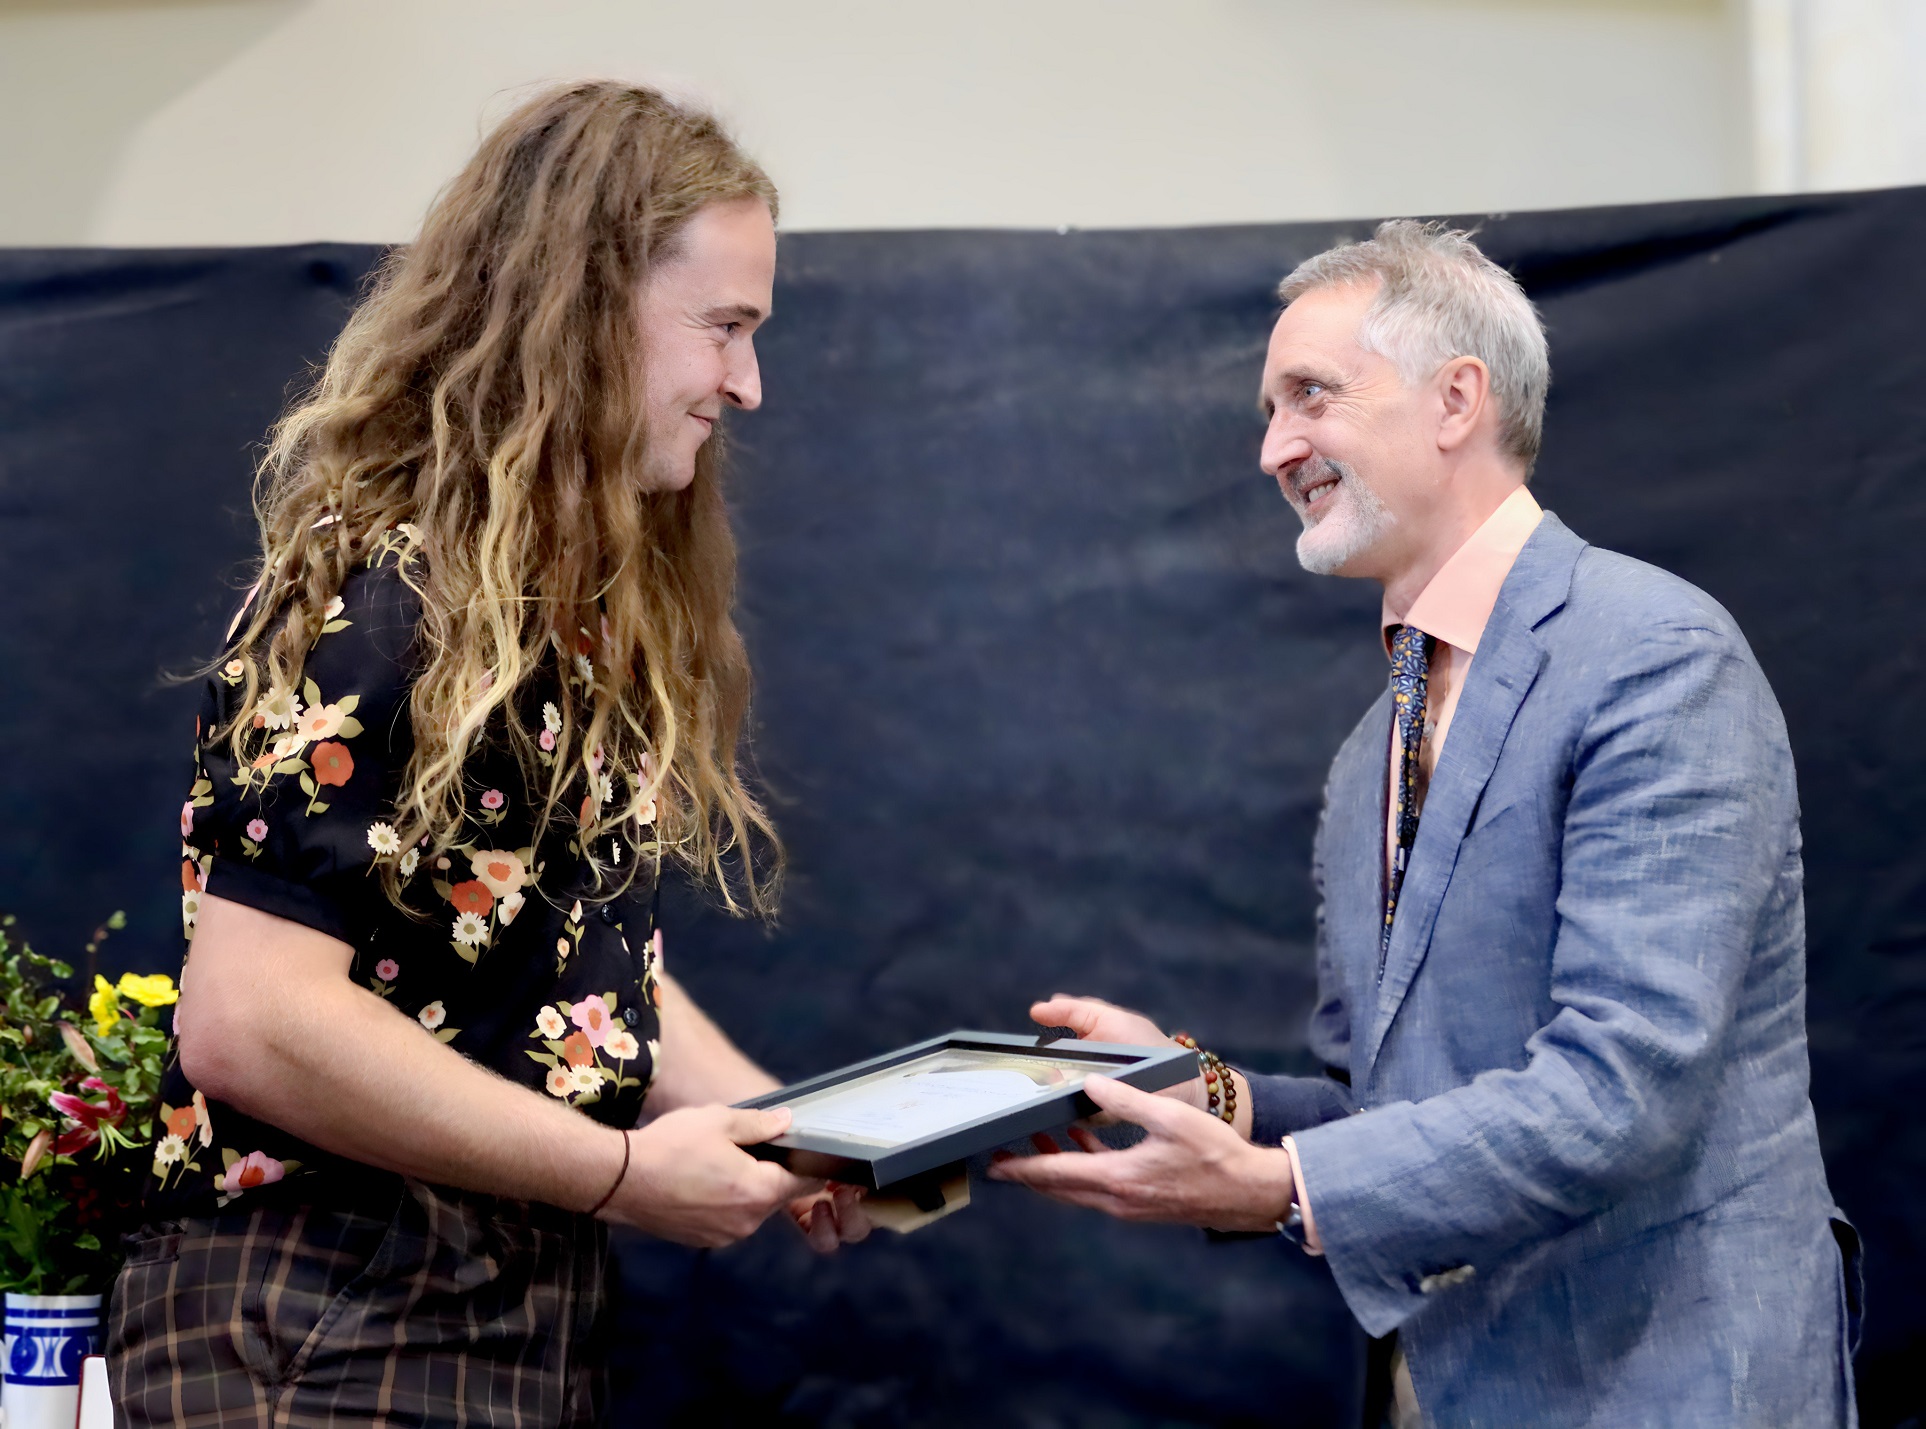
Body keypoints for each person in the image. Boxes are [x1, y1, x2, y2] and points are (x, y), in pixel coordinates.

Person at [991, 221, 1857, 1426]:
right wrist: (1208, 1096)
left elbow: (1625, 1086)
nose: (1273, 447)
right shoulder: (1370, 757)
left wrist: (1276, 1186)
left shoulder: (1655, 656)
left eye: (1310, 396)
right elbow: (1396, 1111)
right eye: (1268, 407)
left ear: (1458, 400)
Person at [108, 81, 868, 1427]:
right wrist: (622, 1175)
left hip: (497, 1298)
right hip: (328, 1309)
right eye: (724, 329)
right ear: (584, 311)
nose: (744, 383)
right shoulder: (389, 594)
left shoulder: (546, 617)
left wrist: (800, 1134)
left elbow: (569, 961)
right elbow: (250, 1017)